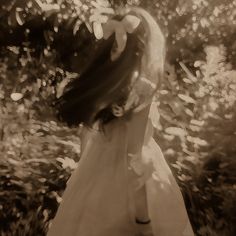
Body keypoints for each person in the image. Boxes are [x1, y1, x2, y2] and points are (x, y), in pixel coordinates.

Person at [47, 7, 194, 236]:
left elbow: (86, 136)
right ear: (144, 49)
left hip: (94, 172)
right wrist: (143, 219)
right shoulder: (142, 89)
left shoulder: (104, 85)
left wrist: (84, 177)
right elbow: (134, 159)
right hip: (127, 189)